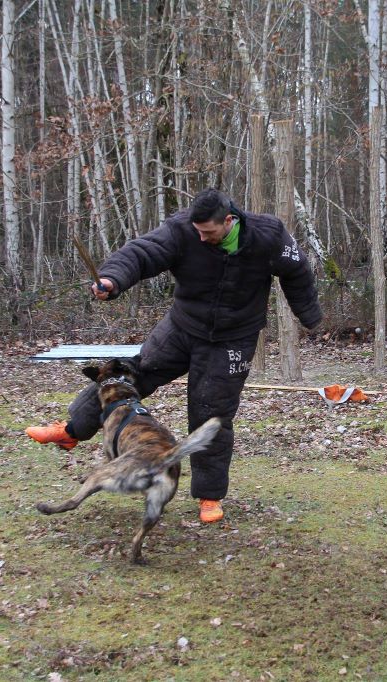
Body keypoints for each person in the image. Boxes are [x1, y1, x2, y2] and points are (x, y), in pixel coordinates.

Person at [26, 188, 322, 523]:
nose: (200, 236)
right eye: (197, 230)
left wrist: (308, 314)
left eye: (207, 232)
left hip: (232, 339)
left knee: (212, 410)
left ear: (229, 221)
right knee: (126, 376)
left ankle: (209, 496)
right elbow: (142, 252)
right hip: (182, 327)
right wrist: (112, 279)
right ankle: (71, 430)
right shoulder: (182, 229)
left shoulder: (267, 235)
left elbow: (296, 271)